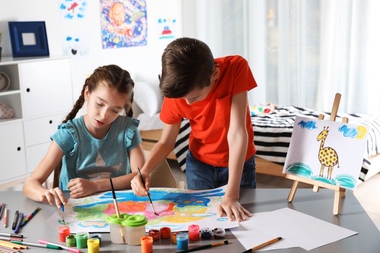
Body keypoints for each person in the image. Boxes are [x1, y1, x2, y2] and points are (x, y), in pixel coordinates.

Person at [131, 37, 257, 222]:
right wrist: (144, 171)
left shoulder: (236, 67)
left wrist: (231, 195)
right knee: (203, 222)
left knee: (243, 221)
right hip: (199, 166)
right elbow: (166, 141)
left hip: (239, 163)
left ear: (214, 74)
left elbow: (237, 133)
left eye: (195, 97)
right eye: (183, 99)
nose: (187, 104)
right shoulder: (177, 91)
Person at [23, 65, 145, 210]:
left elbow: (140, 176)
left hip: (120, 208)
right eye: (99, 104)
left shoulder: (127, 130)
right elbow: (30, 184)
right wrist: (46, 193)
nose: (104, 115)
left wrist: (96, 185)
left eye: (115, 110)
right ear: (87, 93)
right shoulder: (69, 133)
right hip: (77, 211)